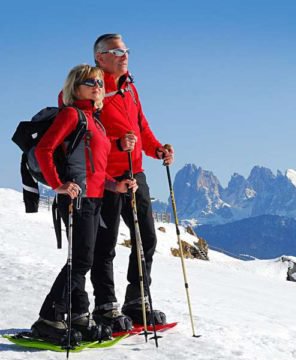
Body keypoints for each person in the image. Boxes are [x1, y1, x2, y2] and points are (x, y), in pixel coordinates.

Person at [32, 64, 138, 343]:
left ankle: (79, 314)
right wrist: (58, 185)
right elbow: (45, 148)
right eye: (90, 82)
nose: (97, 87)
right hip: (77, 200)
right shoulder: (71, 114)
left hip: (95, 198)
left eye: (100, 83)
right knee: (79, 259)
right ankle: (49, 318)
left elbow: (95, 168)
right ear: (75, 86)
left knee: (85, 259)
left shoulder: (96, 121)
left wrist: (115, 185)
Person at [91, 33, 174, 330]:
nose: (124, 55)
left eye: (125, 49)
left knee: (147, 238)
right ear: (100, 57)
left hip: (135, 174)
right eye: (116, 51)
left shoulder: (129, 88)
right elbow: (85, 134)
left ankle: (137, 300)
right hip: (106, 178)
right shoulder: (91, 88)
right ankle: (105, 307)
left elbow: (141, 127)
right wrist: (116, 145)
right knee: (106, 243)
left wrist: (156, 149)